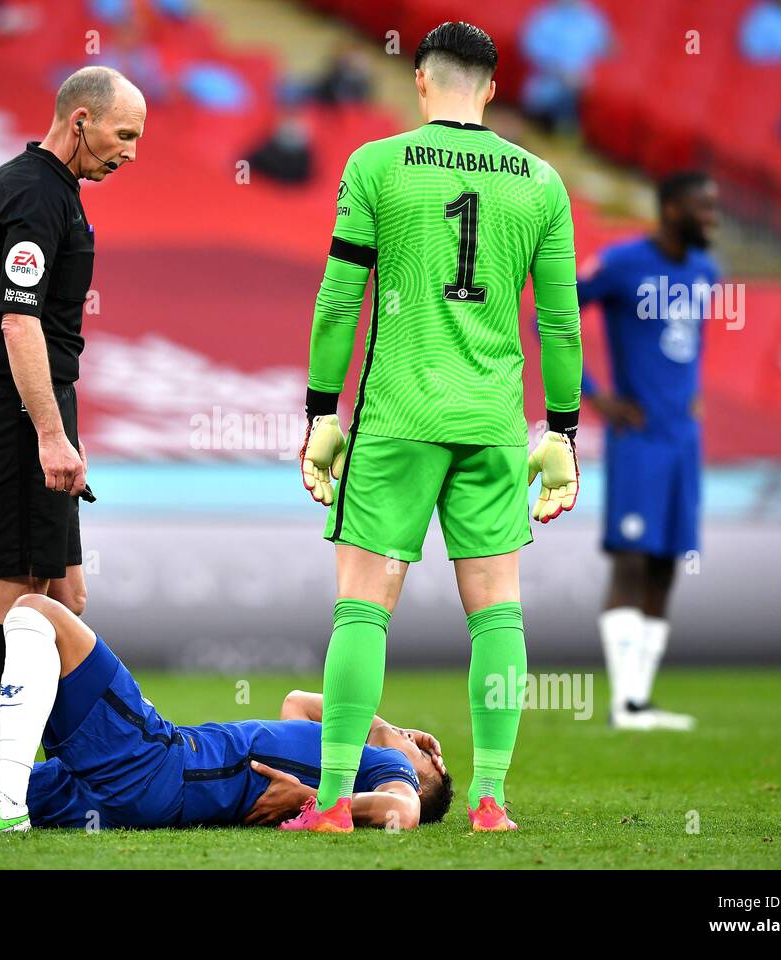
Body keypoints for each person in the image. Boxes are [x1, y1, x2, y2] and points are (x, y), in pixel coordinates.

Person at [294, 21, 582, 834]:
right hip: (493, 423)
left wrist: (321, 411)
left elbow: (339, 302)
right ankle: (490, 800)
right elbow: (560, 325)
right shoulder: (541, 182)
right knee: (497, 613)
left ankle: (333, 803)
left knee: (362, 608)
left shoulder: (377, 165)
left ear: (420, 80)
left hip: (397, 418)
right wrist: (560, 431)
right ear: (491, 88)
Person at [0, 596, 452, 834]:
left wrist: (326, 803)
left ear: (425, 774)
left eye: (436, 760)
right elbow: (301, 703)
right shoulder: (359, 741)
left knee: (36, 613)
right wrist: (387, 726)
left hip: (162, 764)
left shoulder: (386, 770)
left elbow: (402, 815)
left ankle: (1, 804)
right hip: (121, 797)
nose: (428, 748)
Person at [0, 66, 145, 768]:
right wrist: (50, 434)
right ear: (81, 123)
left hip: (38, 406)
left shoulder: (55, 190)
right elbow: (18, 324)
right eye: (124, 134)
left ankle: (63, 770)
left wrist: (60, 419)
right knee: (15, 601)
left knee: (65, 595)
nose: (131, 152)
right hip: (9, 415)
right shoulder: (34, 193)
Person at [577, 171, 721, 731]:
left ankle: (639, 700)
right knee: (631, 561)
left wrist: (694, 394)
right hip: (636, 440)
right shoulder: (621, 264)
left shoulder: (707, 271)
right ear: (668, 210)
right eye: (702, 207)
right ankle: (622, 704)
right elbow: (552, 313)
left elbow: (690, 347)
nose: (711, 217)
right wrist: (595, 395)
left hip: (683, 439)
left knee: (667, 564)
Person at [519, 0, 613, 131]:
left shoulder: (593, 21)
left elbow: (608, 51)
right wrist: (559, 71)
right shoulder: (546, 16)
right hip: (545, 84)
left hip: (580, 88)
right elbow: (530, 46)